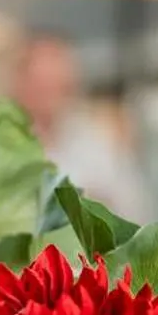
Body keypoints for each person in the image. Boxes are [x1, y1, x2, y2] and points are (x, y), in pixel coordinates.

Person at [11, 33, 148, 218]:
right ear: (20, 84)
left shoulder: (99, 146)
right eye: (42, 86)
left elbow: (134, 214)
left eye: (59, 85)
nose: (51, 98)